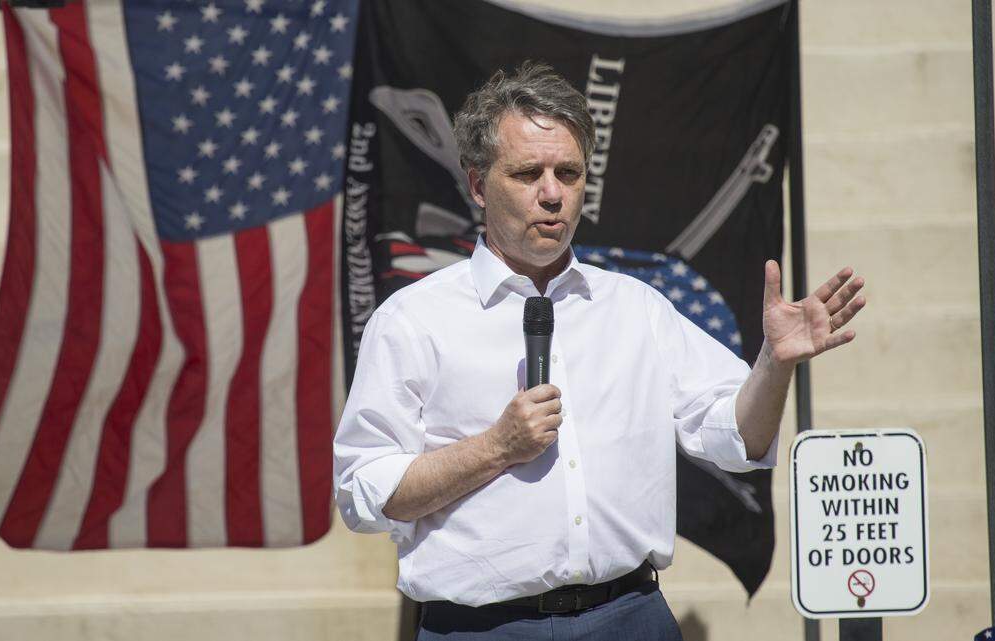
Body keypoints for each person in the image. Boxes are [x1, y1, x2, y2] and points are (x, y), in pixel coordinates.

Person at [333, 62, 865, 640]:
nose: (552, 194)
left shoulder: (636, 309)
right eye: (527, 173)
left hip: (629, 616)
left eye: (568, 172)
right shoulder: (414, 321)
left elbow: (739, 438)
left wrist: (775, 363)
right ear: (479, 185)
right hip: (481, 629)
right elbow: (364, 494)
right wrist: (494, 448)